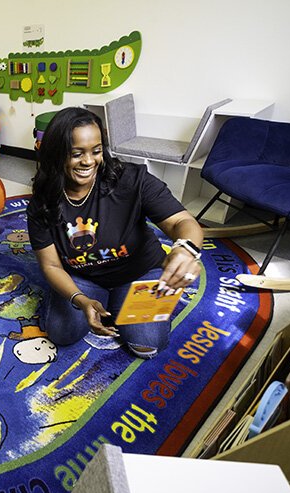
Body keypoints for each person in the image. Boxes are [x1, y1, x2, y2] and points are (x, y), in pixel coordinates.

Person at [26, 107, 204, 359]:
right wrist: (81, 300)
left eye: (96, 151)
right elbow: (51, 265)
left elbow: (181, 222)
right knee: (62, 333)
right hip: (84, 279)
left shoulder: (132, 180)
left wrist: (186, 250)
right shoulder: (43, 202)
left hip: (141, 273)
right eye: (77, 154)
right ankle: (106, 302)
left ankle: (124, 303)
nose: (89, 161)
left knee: (146, 345)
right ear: (57, 154)